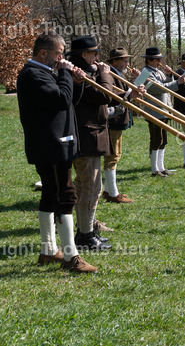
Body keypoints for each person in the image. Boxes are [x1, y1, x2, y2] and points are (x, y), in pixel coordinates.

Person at [16, 32, 96, 273]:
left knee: (51, 194)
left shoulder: (44, 73)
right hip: (50, 145)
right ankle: (71, 256)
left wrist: (77, 82)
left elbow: (69, 101)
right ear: (43, 53)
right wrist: (65, 74)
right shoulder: (33, 74)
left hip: (58, 141)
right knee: (65, 195)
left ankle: (49, 250)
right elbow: (61, 99)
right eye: (59, 53)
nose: (62, 58)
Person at [68, 36, 115, 252]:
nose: (97, 57)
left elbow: (110, 96)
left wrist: (131, 94)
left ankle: (88, 230)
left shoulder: (89, 73)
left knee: (93, 186)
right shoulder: (78, 74)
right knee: (89, 186)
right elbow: (103, 94)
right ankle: (84, 235)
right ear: (83, 55)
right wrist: (105, 73)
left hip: (92, 137)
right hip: (85, 138)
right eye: (94, 53)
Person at [102, 48, 142, 204]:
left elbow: (127, 93)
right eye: (124, 60)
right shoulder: (109, 75)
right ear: (114, 61)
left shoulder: (119, 74)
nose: (127, 63)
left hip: (118, 118)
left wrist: (138, 81)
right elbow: (110, 97)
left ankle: (109, 190)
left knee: (115, 155)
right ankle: (112, 193)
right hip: (113, 119)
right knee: (112, 156)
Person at [143, 47, 180, 176]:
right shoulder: (146, 72)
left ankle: (161, 167)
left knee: (163, 140)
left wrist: (170, 75)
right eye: (158, 59)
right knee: (156, 140)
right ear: (150, 60)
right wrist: (177, 83)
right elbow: (157, 88)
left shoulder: (158, 72)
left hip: (163, 110)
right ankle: (155, 170)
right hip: (154, 111)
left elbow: (166, 84)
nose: (160, 62)